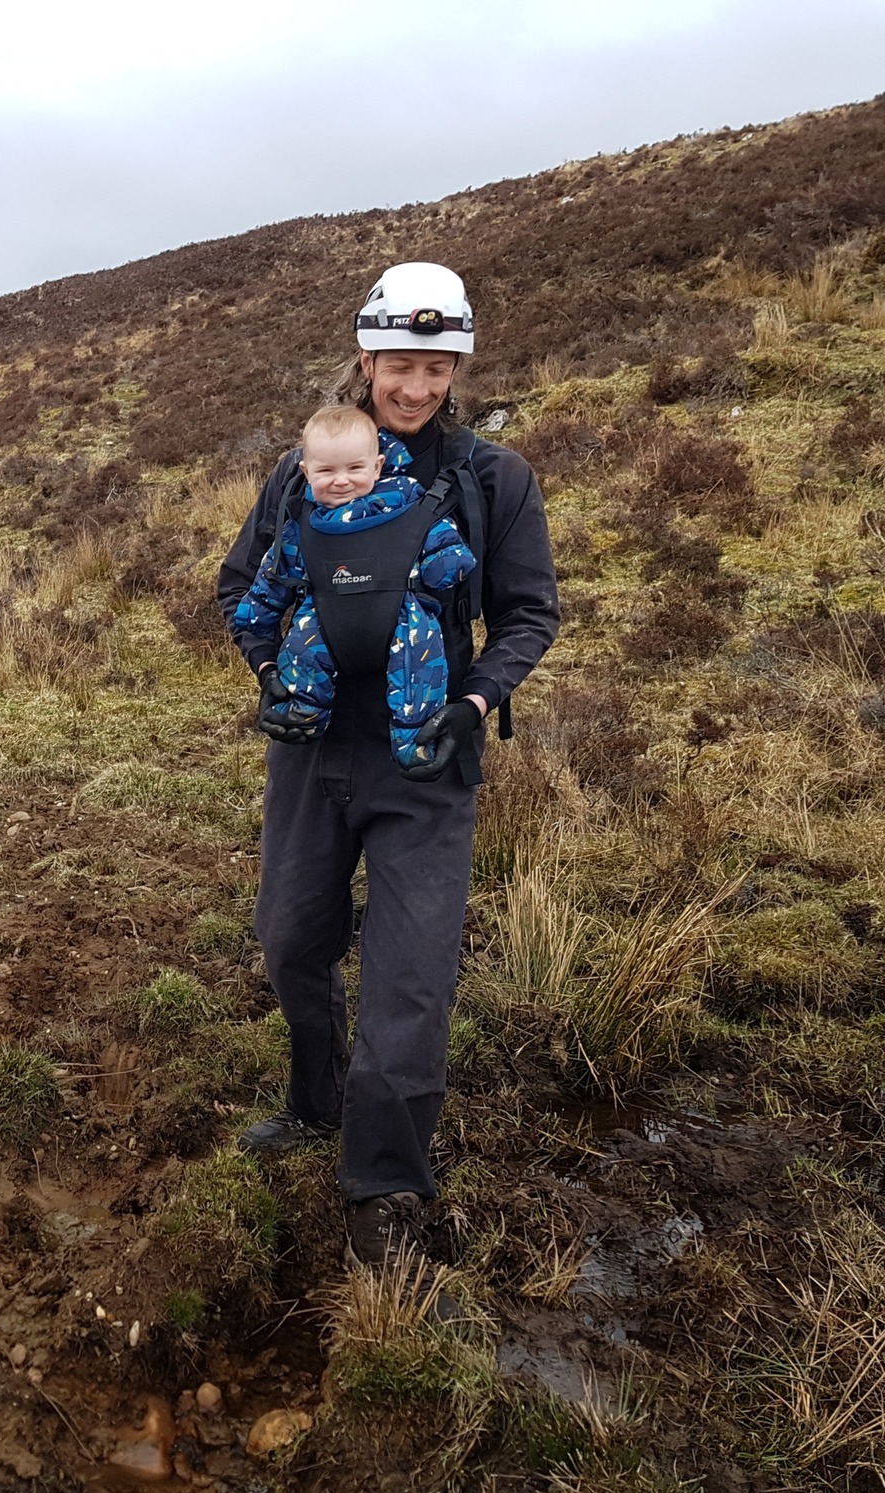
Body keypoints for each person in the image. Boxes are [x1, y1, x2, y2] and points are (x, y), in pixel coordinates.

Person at [216, 261, 559, 1268]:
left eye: (436, 368)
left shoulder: (495, 479)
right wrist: (272, 679)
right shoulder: (307, 470)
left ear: (457, 370)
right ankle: (315, 1101)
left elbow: (530, 614)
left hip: (426, 758)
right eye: (399, 364)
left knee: (410, 979)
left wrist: (474, 702)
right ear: (365, 359)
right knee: (290, 940)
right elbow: (243, 587)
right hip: (313, 751)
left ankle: (386, 1183)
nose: (416, 386)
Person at [230, 404, 477, 766]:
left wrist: (449, 561)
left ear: (377, 466)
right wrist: (255, 615)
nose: (341, 480)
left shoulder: (407, 497)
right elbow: (276, 572)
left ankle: (416, 742)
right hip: (323, 615)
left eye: (354, 469)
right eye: (326, 471)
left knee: (418, 667)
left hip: (404, 616)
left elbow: (434, 531)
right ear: (306, 471)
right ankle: (303, 714)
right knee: (303, 652)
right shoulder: (301, 518)